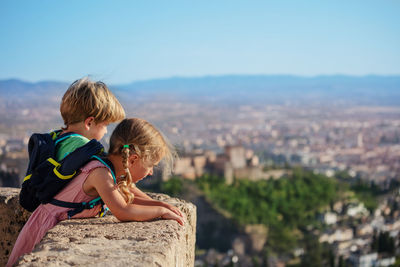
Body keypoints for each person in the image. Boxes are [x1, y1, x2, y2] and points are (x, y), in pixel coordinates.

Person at [7, 118, 184, 266]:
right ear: (133, 159)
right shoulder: (100, 173)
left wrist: (162, 204)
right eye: (151, 166)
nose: (151, 172)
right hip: (43, 230)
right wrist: (161, 212)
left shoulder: (111, 170)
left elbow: (132, 194)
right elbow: (123, 210)